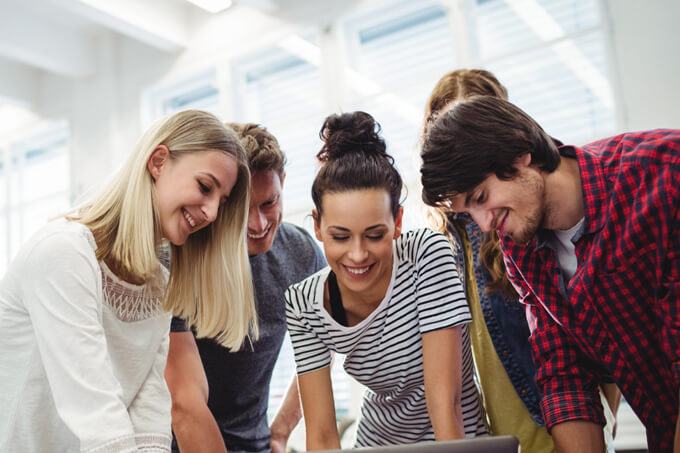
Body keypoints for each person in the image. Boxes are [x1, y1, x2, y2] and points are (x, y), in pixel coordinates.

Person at [420, 95, 680, 452]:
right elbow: (565, 375)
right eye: (467, 212)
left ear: (519, 153)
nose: (484, 224)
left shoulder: (663, 173)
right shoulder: (520, 250)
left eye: (480, 196)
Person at [0, 109, 257, 452]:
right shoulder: (64, 253)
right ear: (158, 162)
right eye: (205, 186)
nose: (210, 213)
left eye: (220, 203)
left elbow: (148, 414)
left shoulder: (158, 284)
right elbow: (96, 413)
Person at [285, 111, 487, 451]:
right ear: (318, 226)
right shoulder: (304, 304)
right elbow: (320, 435)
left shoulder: (426, 254)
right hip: (376, 443)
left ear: (397, 222)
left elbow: (445, 402)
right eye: (340, 237)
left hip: (456, 442)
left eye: (374, 235)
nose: (358, 254)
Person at [165, 123, 326, 453]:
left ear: (283, 183)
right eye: (242, 210)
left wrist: (280, 431)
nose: (258, 224)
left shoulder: (302, 253)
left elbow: (325, 342)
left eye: (269, 203)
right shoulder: (177, 258)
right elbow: (184, 407)